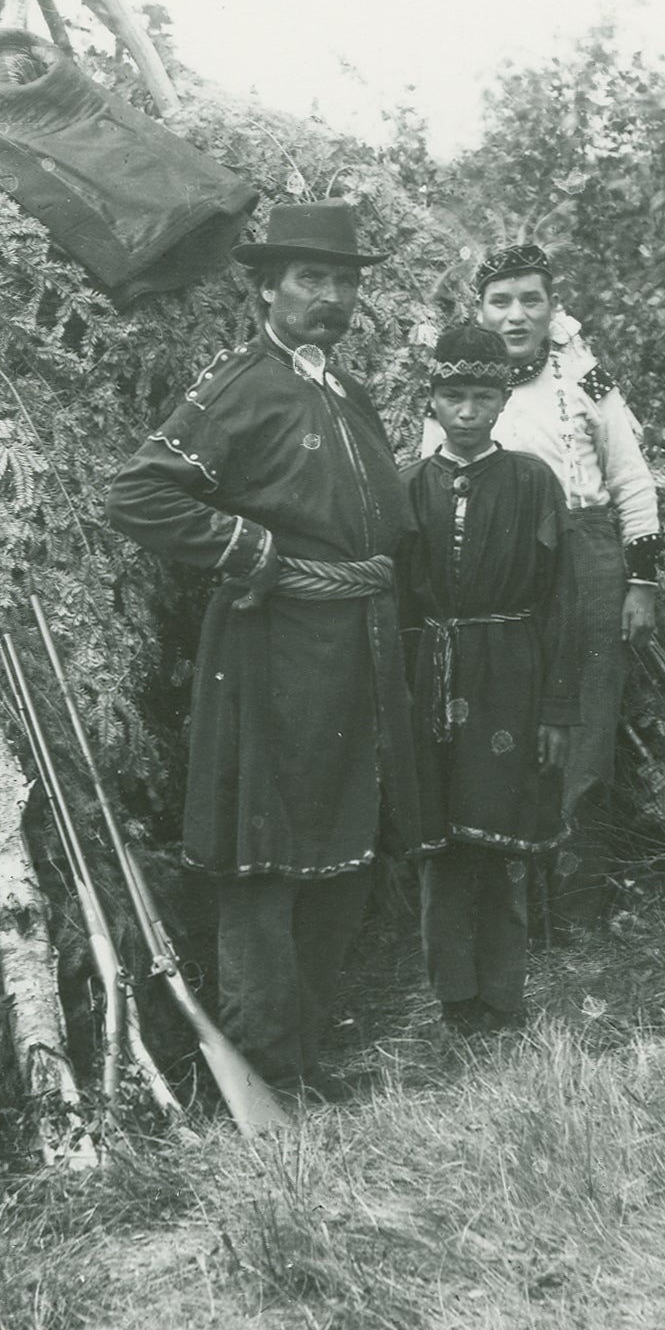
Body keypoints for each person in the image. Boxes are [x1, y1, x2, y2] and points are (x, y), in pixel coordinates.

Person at [105, 200, 423, 1101]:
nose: (330, 297)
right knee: (265, 854)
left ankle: (304, 1057)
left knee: (338, 847)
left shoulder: (340, 390)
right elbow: (139, 495)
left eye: (345, 281)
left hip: (354, 647)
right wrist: (262, 558)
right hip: (275, 644)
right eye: (311, 280)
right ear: (265, 289)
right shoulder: (239, 385)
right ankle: (261, 1069)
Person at [424, 243, 660, 921]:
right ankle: (511, 912)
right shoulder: (458, 391)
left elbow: (631, 479)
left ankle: (579, 905)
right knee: (505, 723)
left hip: (586, 559)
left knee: (584, 732)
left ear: (551, 307)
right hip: (497, 572)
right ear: (480, 308)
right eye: (500, 300)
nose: (516, 314)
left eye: (530, 299)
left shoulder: (584, 379)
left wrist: (639, 584)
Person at [399, 324, 575, 1035]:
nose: (466, 412)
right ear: (431, 402)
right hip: (430, 675)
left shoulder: (532, 481)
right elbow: (393, 602)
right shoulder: (407, 484)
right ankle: (454, 998)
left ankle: (503, 996)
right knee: (439, 847)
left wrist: (556, 707)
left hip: (510, 672)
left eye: (480, 396)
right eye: (452, 396)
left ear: (502, 401)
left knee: (502, 844)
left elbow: (561, 600)